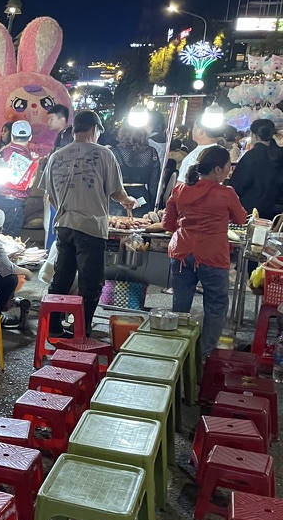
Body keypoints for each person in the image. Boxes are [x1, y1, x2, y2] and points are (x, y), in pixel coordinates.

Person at [43, 110, 137, 336]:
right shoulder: (104, 153)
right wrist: (128, 200)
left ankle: (53, 328)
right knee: (91, 284)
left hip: (64, 225)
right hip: (91, 227)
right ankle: (81, 330)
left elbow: (51, 196)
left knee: (61, 279)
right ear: (94, 129)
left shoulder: (57, 156)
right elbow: (116, 192)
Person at [163, 145, 248, 357]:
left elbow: (168, 224)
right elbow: (241, 218)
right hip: (213, 255)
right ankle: (203, 355)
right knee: (216, 305)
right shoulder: (226, 193)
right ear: (218, 169)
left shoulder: (180, 190)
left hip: (181, 252)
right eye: (229, 167)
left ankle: (178, 351)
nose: (230, 171)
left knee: (180, 304)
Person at [0, 120, 41, 236]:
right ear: (30, 137)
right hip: (14, 202)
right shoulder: (28, 157)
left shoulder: (3, 151)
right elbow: (29, 183)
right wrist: (35, 164)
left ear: (12, 135)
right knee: (8, 240)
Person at [230, 119, 281, 218]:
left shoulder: (252, 156)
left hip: (252, 210)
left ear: (254, 135)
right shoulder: (280, 154)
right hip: (276, 212)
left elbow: (237, 185)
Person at [108, 125, 161, 216]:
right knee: (140, 226)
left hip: (118, 197)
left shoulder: (114, 152)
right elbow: (154, 184)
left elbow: (109, 180)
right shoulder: (152, 153)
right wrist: (152, 205)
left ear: (122, 134)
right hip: (142, 197)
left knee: (116, 226)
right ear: (143, 134)